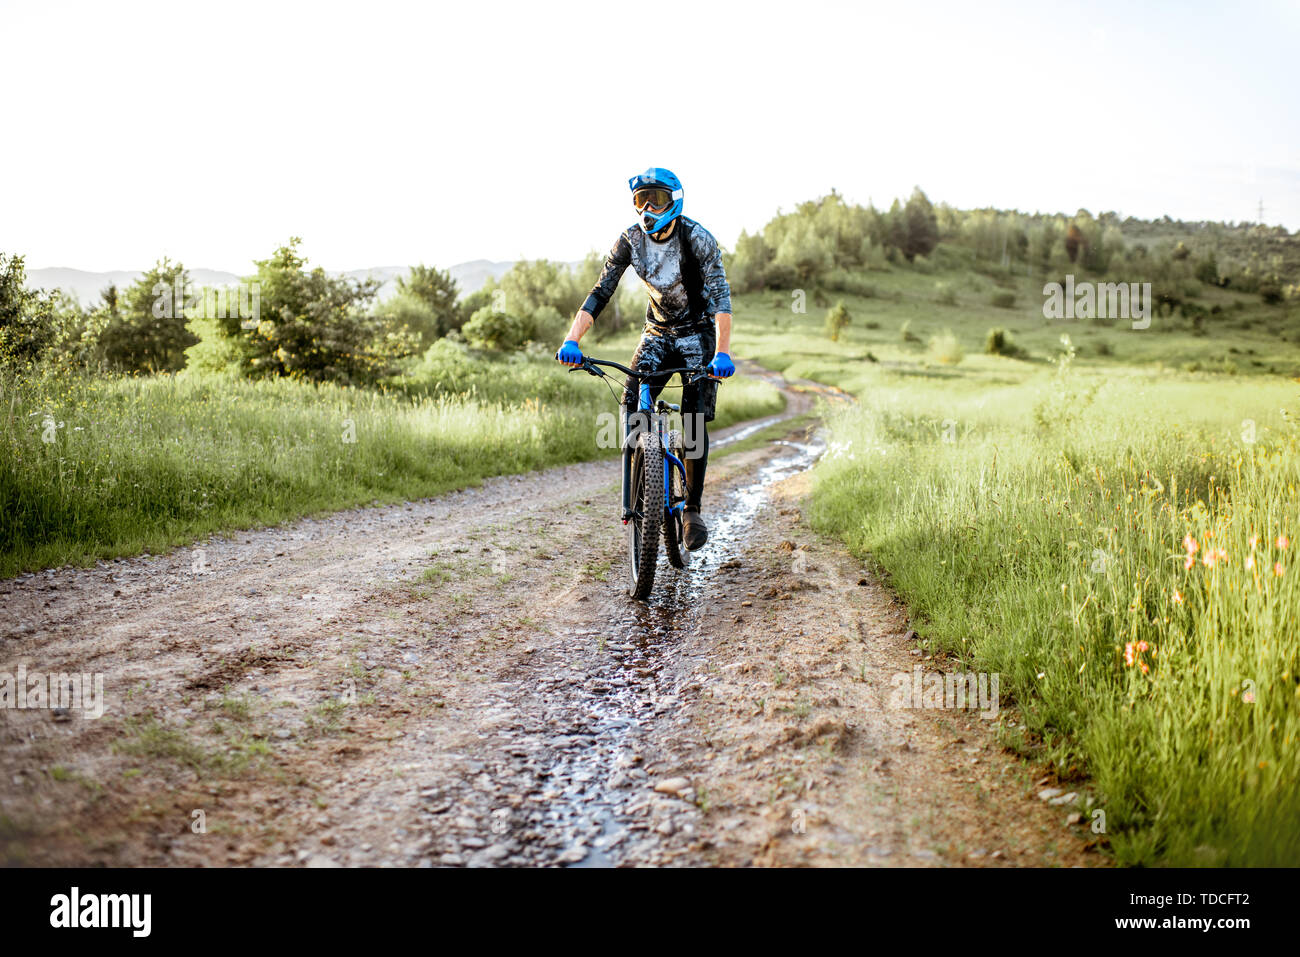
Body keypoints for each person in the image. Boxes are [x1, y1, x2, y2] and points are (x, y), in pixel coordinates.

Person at [555, 168, 734, 549]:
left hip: (697, 331)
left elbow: (720, 298)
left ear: (675, 200)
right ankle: (645, 477)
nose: (648, 208)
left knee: (695, 414)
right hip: (656, 333)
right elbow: (600, 292)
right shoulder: (631, 240)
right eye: (640, 200)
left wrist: (722, 352)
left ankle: (692, 510)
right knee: (633, 396)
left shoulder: (697, 238)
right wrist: (572, 340)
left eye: (657, 198)